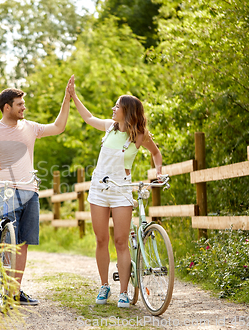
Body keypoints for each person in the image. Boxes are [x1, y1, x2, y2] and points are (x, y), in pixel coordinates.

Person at [0, 79, 72, 305]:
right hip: (6, 192)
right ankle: (6, 288)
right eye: (19, 104)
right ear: (7, 107)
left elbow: (58, 127)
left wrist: (67, 97)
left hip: (31, 191)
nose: (24, 107)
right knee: (8, 244)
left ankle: (15, 291)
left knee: (22, 242)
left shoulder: (30, 127)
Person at [67, 75, 162, 308]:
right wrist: (73, 97)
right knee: (101, 239)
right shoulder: (109, 127)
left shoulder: (139, 136)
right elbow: (88, 117)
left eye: (117, 106)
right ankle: (103, 285)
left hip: (122, 189)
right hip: (99, 187)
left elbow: (156, 154)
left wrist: (158, 170)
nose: (113, 108)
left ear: (127, 111)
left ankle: (123, 292)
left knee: (120, 241)